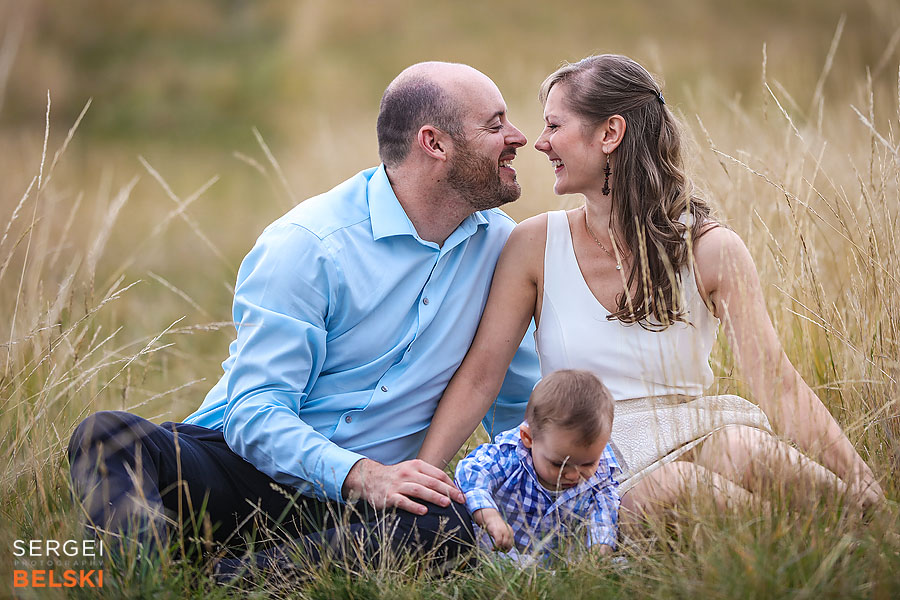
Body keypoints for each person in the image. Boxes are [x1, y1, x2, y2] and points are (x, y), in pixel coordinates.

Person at [67, 61, 541, 568]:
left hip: (369, 509)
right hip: (245, 472)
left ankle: (222, 578)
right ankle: (149, 573)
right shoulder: (311, 244)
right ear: (435, 143)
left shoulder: (501, 250)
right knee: (107, 438)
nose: (518, 137)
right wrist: (361, 474)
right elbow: (254, 412)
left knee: (451, 526)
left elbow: (518, 405)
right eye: (494, 125)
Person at [418, 54, 884, 522]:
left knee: (746, 451)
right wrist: (422, 473)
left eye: (555, 125)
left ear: (610, 133)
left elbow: (777, 383)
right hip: (593, 462)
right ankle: (787, 555)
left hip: (695, 429)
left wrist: (863, 482)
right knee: (686, 487)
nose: (539, 143)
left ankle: (868, 532)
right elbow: (481, 376)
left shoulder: (711, 250)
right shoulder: (534, 245)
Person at [455, 369, 619, 563]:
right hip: (502, 552)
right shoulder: (510, 456)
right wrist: (489, 516)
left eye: (588, 463)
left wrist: (599, 553)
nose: (574, 475)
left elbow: (603, 516)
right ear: (528, 438)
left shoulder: (601, 473)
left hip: (559, 562)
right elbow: (471, 473)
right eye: (559, 464)